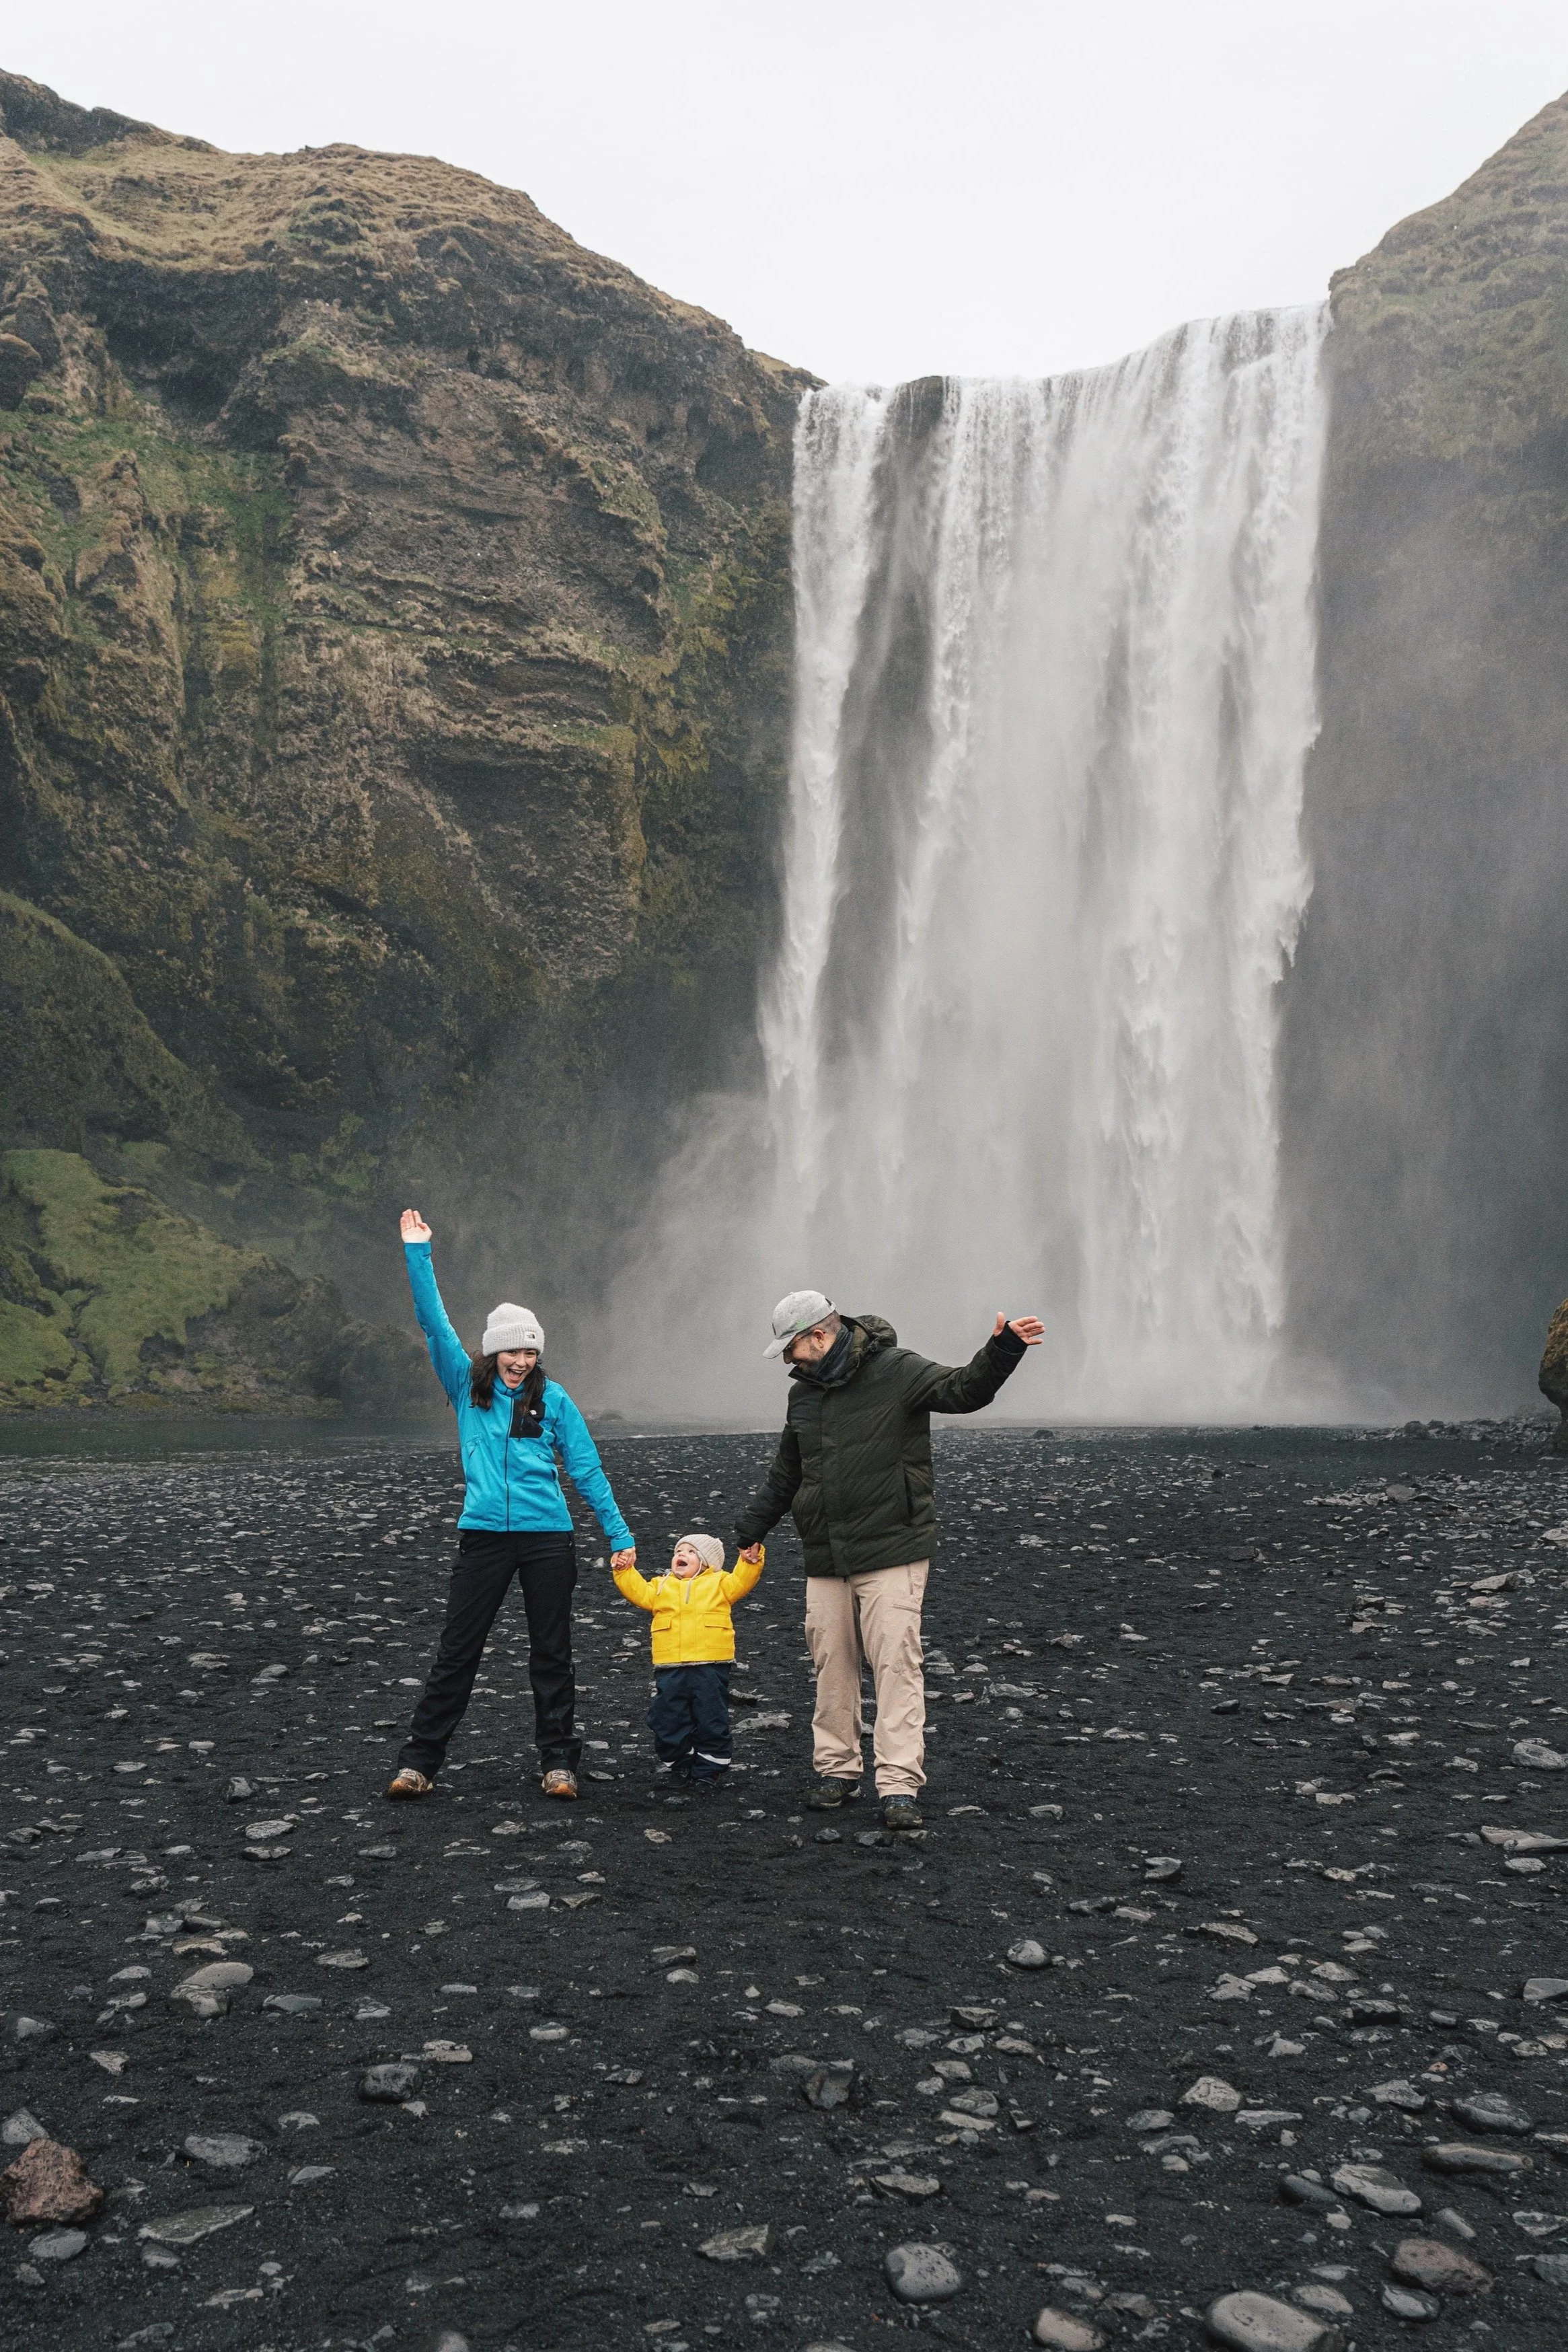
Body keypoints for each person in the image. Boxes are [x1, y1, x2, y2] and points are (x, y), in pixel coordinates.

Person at [733, 1289, 1043, 1831]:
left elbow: (962, 1390)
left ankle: (898, 1784)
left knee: (896, 1665)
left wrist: (1002, 1350)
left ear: (820, 1336)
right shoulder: (803, 1395)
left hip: (891, 1545)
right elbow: (788, 1471)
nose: (786, 1359)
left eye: (791, 1347)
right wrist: (751, 1529)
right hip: (826, 1552)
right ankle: (838, 1770)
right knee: (832, 1663)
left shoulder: (897, 1369)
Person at [386, 1208, 636, 1802]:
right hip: (484, 1539)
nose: (520, 1361)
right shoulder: (464, 1388)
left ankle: (558, 1764)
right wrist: (417, 1254)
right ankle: (419, 1764)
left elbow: (586, 1470)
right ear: (493, 1353)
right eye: (511, 1353)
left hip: (548, 1539)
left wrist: (619, 1535)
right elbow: (433, 1325)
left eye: (529, 1352)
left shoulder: (555, 1400)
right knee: (457, 1651)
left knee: (552, 1652)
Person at [613, 1533, 765, 1788]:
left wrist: (751, 1561)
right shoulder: (661, 1586)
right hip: (670, 1665)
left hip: (711, 1663)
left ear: (707, 1562)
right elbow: (638, 1592)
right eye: (678, 1551)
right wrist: (624, 1570)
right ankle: (680, 1761)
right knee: (666, 1717)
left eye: (690, 1552)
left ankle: (709, 1768)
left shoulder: (721, 1583)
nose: (681, 1555)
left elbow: (744, 1579)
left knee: (711, 1717)